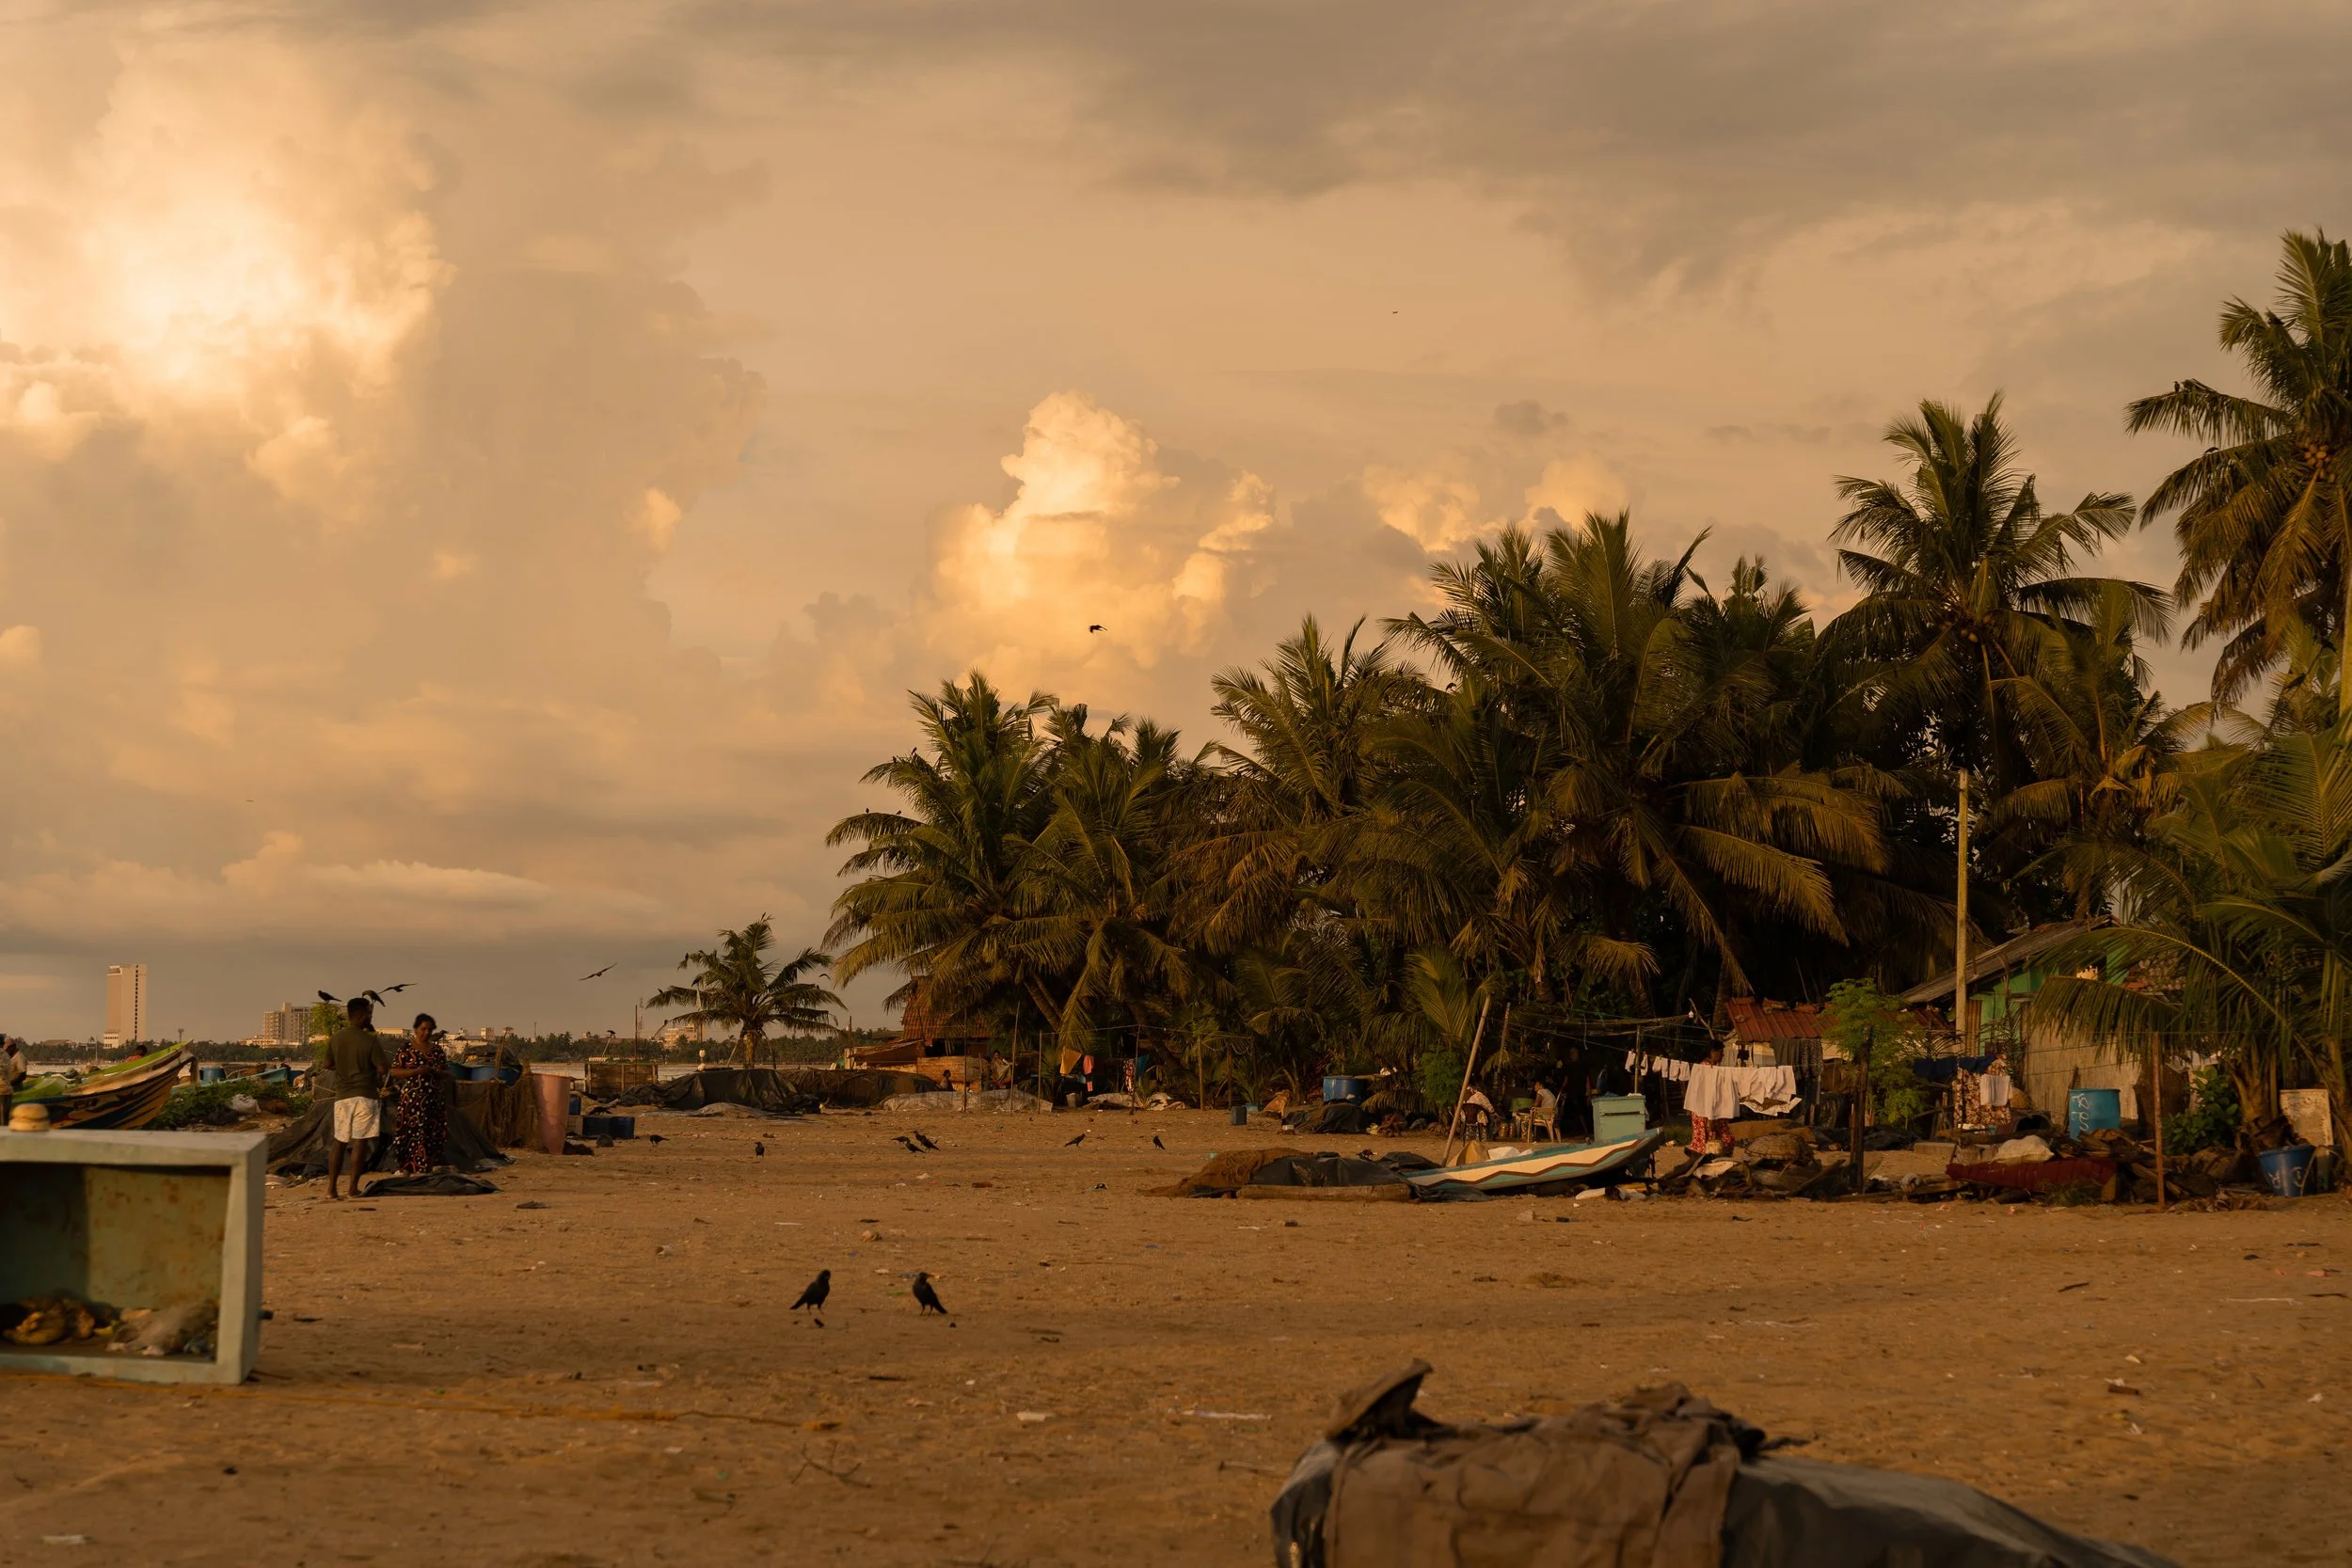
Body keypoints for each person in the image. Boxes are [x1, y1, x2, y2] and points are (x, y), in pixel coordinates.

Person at [324, 997, 391, 1200]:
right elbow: (382, 1068)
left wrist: (344, 1069)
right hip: (365, 1096)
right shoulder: (370, 1041)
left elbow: (327, 1064)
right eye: (369, 1014)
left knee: (339, 1142)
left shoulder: (335, 1039)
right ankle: (352, 1188)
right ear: (361, 1016)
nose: (370, 1017)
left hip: (342, 1096)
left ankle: (331, 1190)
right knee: (360, 1142)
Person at [388, 1012, 451, 1174]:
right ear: (416, 1029)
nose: (426, 1033)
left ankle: (427, 1171)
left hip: (433, 1100)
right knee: (411, 1134)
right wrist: (414, 1072)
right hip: (412, 1101)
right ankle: (409, 1169)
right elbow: (394, 1071)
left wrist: (437, 1072)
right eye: (423, 1029)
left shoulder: (436, 1050)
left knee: (432, 1136)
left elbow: (447, 1073)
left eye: (429, 1030)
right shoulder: (406, 1048)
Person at [1685, 1043, 1738, 1156]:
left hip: (1708, 1111)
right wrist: (1711, 1118)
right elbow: (1708, 1094)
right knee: (1714, 1143)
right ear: (1713, 1052)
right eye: (1721, 1052)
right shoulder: (1707, 1069)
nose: (1723, 1056)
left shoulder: (1705, 1067)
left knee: (1714, 1142)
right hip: (1707, 1112)